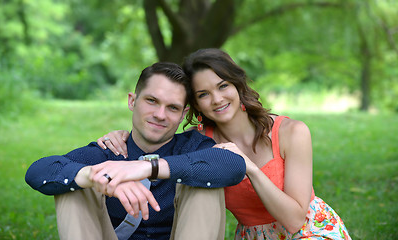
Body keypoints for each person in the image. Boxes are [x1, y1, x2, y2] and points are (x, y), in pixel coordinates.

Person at [99, 48, 352, 239]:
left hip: (311, 231)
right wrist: (122, 136)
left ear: (237, 85)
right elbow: (161, 143)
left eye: (223, 86)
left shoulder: (291, 132)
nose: (217, 99)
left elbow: (295, 220)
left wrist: (249, 168)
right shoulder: (200, 142)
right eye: (203, 94)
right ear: (196, 105)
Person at [25, 62, 246, 240]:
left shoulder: (193, 146)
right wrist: (93, 176)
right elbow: (38, 171)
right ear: (133, 101)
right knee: (74, 183)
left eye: (172, 108)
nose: (160, 114)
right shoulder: (109, 152)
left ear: (182, 114)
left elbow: (233, 165)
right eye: (152, 101)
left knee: (203, 180)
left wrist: (147, 168)